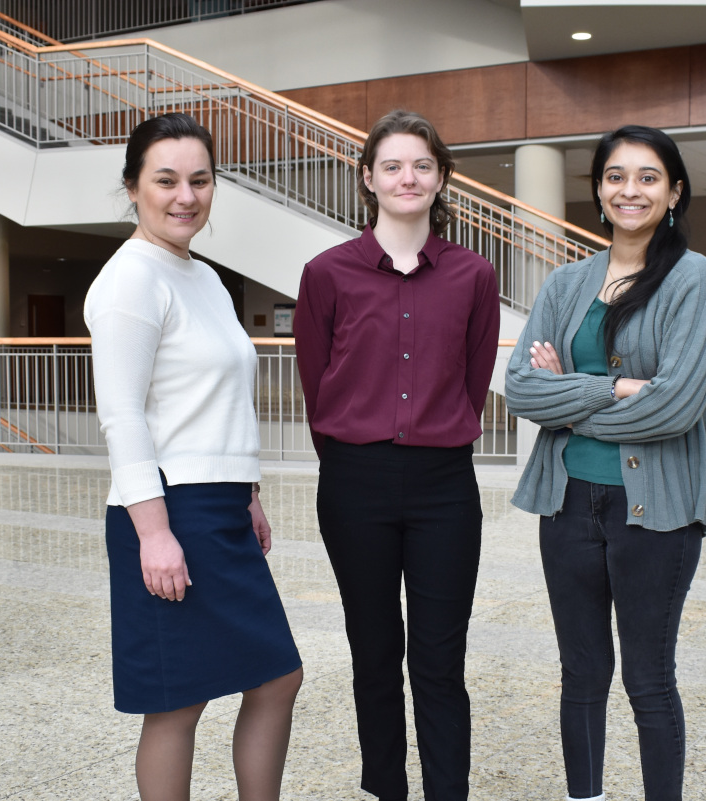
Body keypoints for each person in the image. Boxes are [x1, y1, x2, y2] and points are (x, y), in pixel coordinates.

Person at [505, 125, 706, 801]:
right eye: (616, 176)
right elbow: (519, 386)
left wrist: (568, 397)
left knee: (648, 678)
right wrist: (615, 387)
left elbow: (677, 407)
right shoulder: (567, 281)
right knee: (581, 673)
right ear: (599, 191)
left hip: (654, 513)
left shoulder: (694, 277)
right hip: (568, 503)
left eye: (648, 176)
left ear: (674, 192)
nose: (630, 189)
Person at [84, 112, 303, 801]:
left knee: (275, 674)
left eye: (200, 180)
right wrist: (154, 533)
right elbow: (122, 417)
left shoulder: (202, 277)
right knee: (178, 699)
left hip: (219, 505)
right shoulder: (128, 282)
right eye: (166, 180)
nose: (186, 196)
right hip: (169, 511)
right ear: (132, 187)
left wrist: (249, 492)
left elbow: (214, 396)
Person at [294, 110, 501, 800]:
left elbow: (471, 383)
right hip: (355, 481)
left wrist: (434, 430)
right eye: (392, 165)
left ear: (441, 178)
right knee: (374, 656)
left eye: (421, 165)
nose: (406, 177)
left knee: (440, 662)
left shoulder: (474, 275)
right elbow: (315, 379)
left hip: (445, 484)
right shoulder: (327, 273)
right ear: (368, 179)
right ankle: (386, 788)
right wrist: (356, 452)